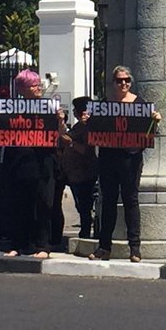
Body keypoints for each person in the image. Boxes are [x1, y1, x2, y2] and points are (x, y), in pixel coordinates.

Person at [89, 66, 162, 262]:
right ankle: (104, 247)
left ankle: (135, 248)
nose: (123, 84)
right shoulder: (104, 104)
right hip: (108, 158)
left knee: (131, 200)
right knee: (109, 202)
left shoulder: (139, 103)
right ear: (113, 83)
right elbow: (94, 131)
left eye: (127, 80)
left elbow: (150, 133)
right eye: (119, 80)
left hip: (131, 158)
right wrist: (89, 121)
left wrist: (155, 121)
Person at [0, 70, 64, 258]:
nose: (38, 88)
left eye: (38, 84)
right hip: (18, 161)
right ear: (21, 89)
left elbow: (60, 133)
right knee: (19, 203)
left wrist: (59, 121)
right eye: (33, 85)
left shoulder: (48, 107)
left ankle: (43, 246)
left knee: (43, 204)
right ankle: (19, 244)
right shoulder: (11, 107)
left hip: (43, 162)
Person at [60, 96, 98, 240]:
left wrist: (69, 142)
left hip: (83, 172)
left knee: (83, 204)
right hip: (74, 173)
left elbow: (85, 149)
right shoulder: (79, 126)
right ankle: (85, 230)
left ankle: (85, 232)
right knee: (81, 204)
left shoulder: (85, 127)